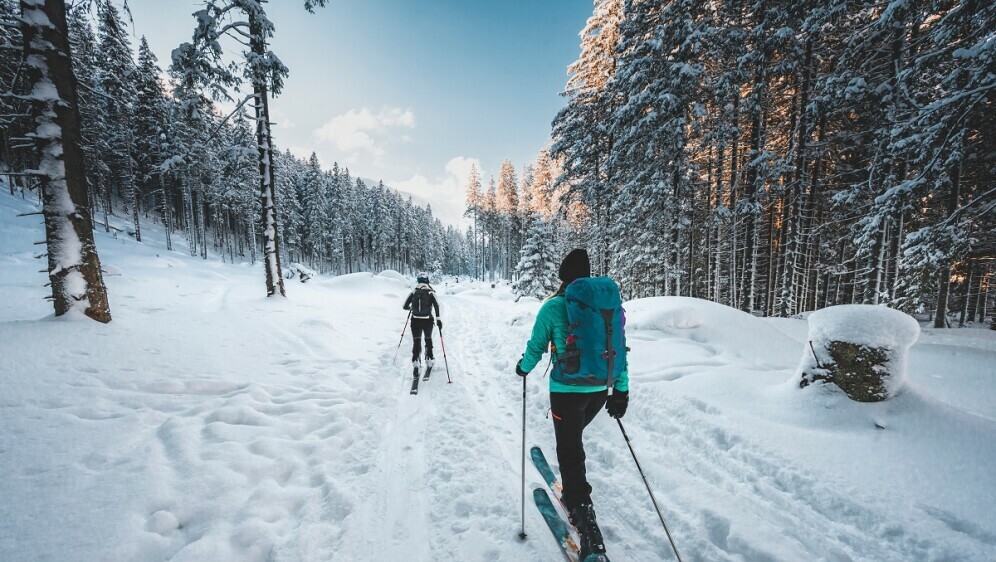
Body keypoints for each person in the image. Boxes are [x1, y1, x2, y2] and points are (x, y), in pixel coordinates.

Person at [515, 249, 629, 559]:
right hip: (599, 390)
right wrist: (621, 391)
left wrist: (523, 368)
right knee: (573, 442)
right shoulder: (607, 308)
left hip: (566, 391)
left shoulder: (553, 306)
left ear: (563, 276)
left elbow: (536, 347)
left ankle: (585, 521)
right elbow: (617, 348)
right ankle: (575, 486)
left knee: (569, 452)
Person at [403, 273, 441, 376]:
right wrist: (438, 319)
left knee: (416, 342)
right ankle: (429, 360)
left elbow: (404, 306)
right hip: (427, 321)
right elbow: (437, 306)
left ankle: (416, 363)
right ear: (427, 280)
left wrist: (411, 308)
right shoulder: (430, 292)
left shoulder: (414, 291)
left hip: (415, 321)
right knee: (428, 339)